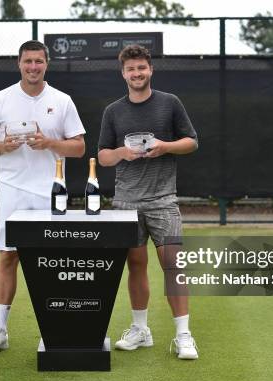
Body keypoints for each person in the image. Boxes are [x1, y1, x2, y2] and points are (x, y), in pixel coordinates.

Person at [0, 40, 86, 354]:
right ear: (19, 63)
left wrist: (49, 143)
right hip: (11, 189)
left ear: (46, 64)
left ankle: (55, 331)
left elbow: (78, 148)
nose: (33, 67)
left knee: (51, 263)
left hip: (51, 191)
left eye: (39, 61)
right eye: (28, 62)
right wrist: (3, 146)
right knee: (8, 256)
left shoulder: (62, 101)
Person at [97, 45, 199, 360]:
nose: (137, 74)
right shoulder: (113, 111)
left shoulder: (170, 103)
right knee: (135, 265)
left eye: (142, 68)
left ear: (150, 69)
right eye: (131, 69)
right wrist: (121, 153)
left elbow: (192, 142)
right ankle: (141, 330)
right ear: (123, 73)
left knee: (173, 265)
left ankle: (183, 335)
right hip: (126, 201)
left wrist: (165, 146)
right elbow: (102, 156)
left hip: (163, 200)